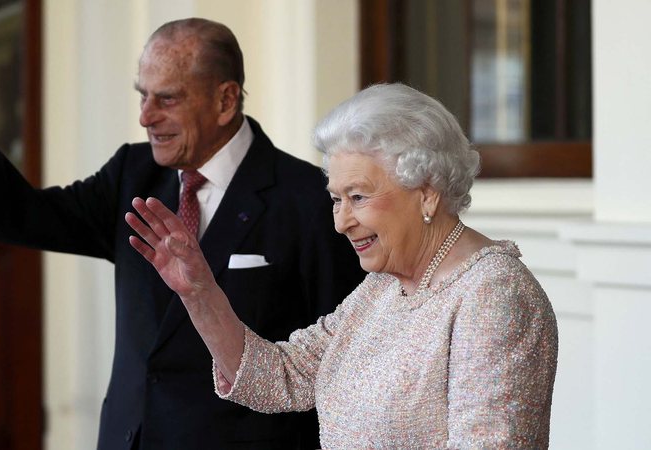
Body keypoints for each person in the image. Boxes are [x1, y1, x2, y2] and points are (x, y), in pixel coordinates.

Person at [0, 19, 365, 450]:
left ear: (226, 100)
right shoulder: (131, 176)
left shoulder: (310, 198)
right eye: (143, 95)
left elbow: (341, 362)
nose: (145, 116)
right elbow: (19, 217)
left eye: (167, 99)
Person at [126, 83, 559, 449]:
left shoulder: (493, 294)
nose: (341, 222)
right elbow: (282, 377)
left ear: (427, 192)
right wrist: (200, 292)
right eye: (336, 198)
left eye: (358, 197)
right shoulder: (383, 288)